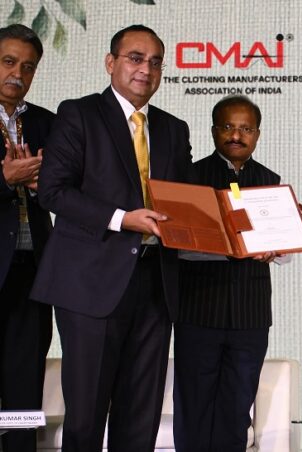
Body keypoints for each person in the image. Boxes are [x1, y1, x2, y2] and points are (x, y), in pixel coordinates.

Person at [31, 25, 192, 451]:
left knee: (140, 420)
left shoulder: (174, 129)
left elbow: (190, 202)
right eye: (135, 58)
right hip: (90, 284)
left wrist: (255, 222)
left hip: (156, 286)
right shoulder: (78, 114)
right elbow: (53, 191)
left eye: (155, 62)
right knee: (85, 419)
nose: (146, 70)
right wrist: (123, 219)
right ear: (111, 63)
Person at [173, 95, 302, 451]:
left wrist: (278, 248)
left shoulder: (271, 182)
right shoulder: (191, 178)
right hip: (198, 311)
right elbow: (178, 246)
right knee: (194, 405)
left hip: (250, 315)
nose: (236, 135)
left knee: (236, 409)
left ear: (257, 134)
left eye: (246, 129)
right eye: (228, 127)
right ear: (214, 131)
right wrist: (226, 246)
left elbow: (284, 252)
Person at [0, 23, 54, 452]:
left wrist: (43, 187)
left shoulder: (46, 123)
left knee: (24, 389)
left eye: (28, 66)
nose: (18, 73)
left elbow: (72, 189)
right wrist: (5, 179)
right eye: (8, 61)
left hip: (33, 273)